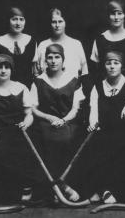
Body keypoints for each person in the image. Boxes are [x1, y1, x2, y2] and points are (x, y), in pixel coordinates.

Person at [70, 50, 125, 204]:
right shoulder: (98, 86)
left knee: (120, 151)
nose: (112, 66)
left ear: (121, 66)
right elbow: (93, 108)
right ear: (104, 66)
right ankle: (100, 189)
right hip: (104, 131)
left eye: (116, 63)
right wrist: (93, 124)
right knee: (93, 148)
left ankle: (106, 190)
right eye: (108, 63)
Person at [0, 54, 45, 203]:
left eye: (6, 67)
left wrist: (26, 122)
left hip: (20, 129)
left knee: (28, 146)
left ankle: (27, 187)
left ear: (11, 70)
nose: (3, 70)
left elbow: (29, 114)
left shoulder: (21, 88)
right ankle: (5, 192)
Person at [30, 44, 84, 201]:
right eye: (50, 57)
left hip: (68, 122)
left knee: (67, 140)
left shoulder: (74, 81)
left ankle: (58, 186)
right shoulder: (38, 81)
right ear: (45, 60)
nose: (53, 61)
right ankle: (62, 187)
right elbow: (34, 109)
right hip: (44, 122)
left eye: (57, 57)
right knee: (44, 141)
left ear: (63, 59)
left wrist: (63, 120)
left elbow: (75, 109)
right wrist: (50, 118)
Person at [90, 0, 125, 82]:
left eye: (119, 13)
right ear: (108, 16)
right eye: (113, 14)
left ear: (124, 15)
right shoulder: (99, 40)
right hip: (104, 89)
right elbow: (94, 70)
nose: (116, 17)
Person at [0, 6, 37, 88]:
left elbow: (35, 71)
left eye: (21, 19)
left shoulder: (31, 42)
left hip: (27, 89)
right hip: (4, 89)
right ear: (8, 20)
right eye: (14, 19)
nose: (18, 23)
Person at [35, 8, 88, 78]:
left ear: (65, 23)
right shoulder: (43, 45)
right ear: (50, 24)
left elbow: (84, 72)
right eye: (54, 22)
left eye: (60, 21)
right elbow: (36, 73)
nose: (57, 25)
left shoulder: (76, 44)